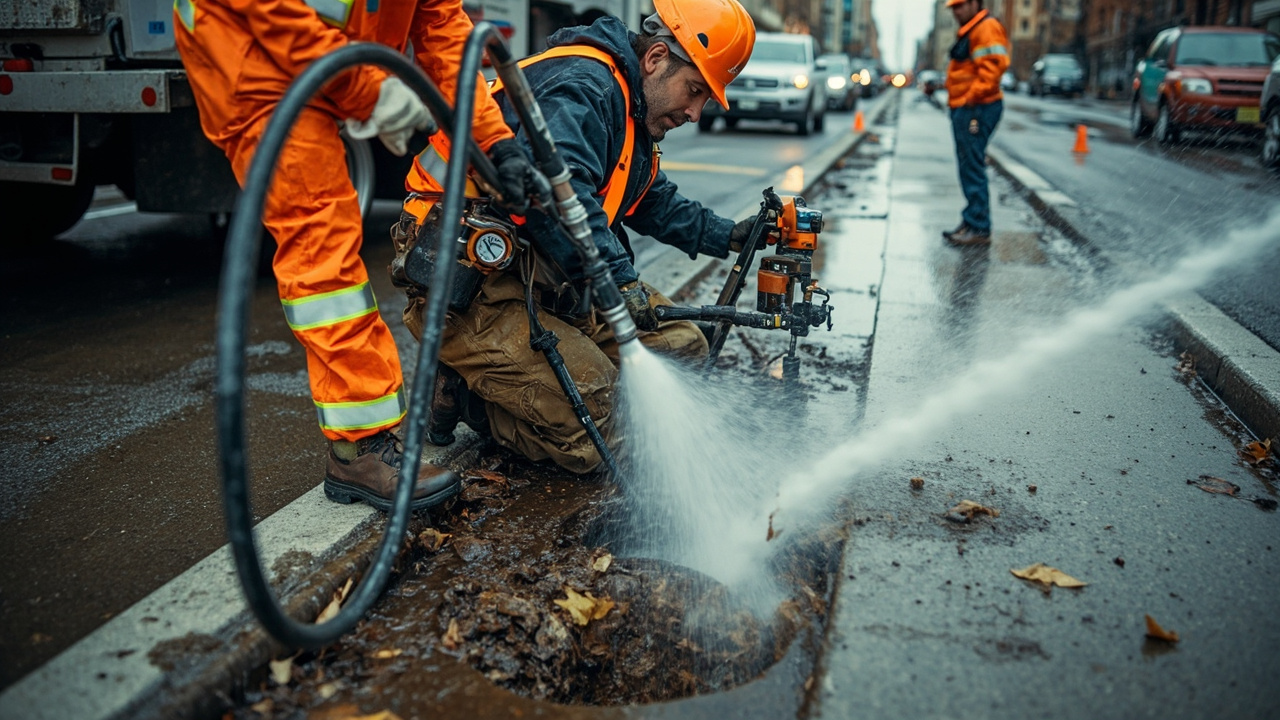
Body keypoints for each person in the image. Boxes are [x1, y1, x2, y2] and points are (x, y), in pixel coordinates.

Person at [173, 0, 545, 511]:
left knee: (331, 236)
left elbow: (442, 29)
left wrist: (496, 141)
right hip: (253, 61)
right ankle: (358, 450)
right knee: (320, 243)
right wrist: (368, 91)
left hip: (327, 57)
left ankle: (365, 443)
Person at [398, 0, 758, 474]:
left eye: (705, 99)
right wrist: (620, 282)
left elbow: (649, 199)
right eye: (694, 90)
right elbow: (558, 194)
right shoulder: (583, 88)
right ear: (655, 58)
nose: (694, 111)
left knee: (684, 348)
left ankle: (545, 382)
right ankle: (468, 397)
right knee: (602, 432)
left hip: (546, 274)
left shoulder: (628, 104)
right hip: (470, 280)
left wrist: (728, 235)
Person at [941, 0, 1009, 247]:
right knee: (968, 164)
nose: (955, 11)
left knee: (972, 165)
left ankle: (979, 226)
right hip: (969, 107)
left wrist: (969, 99)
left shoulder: (985, 28)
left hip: (977, 108)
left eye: (960, 6)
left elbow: (993, 69)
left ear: (974, 3)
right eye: (953, 7)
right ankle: (972, 220)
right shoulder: (972, 30)